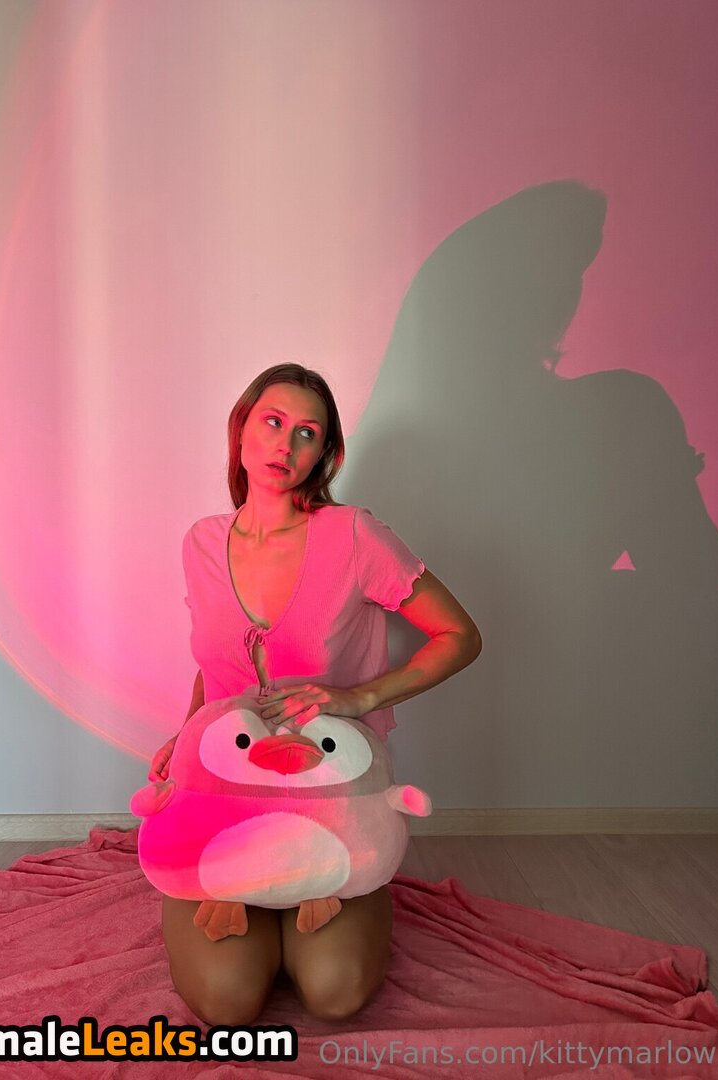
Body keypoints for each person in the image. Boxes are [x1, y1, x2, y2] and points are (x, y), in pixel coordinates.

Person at [149, 363, 482, 1026]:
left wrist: (359, 698)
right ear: (241, 428)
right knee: (227, 1001)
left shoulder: (354, 536)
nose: (286, 443)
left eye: (308, 433)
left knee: (335, 992)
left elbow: (460, 636)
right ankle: (252, 895)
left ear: (324, 452)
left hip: (331, 799)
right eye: (273, 422)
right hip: (226, 799)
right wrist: (185, 736)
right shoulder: (202, 543)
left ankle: (320, 891)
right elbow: (215, 668)